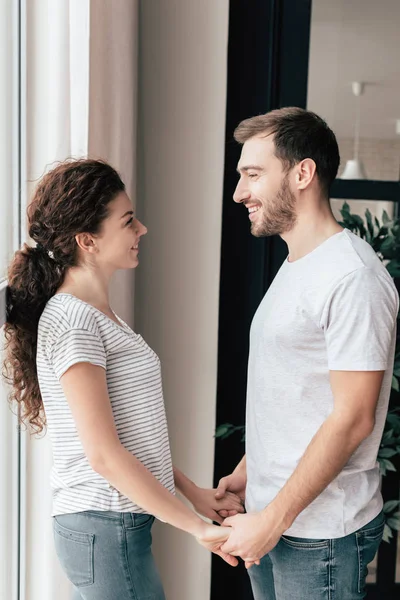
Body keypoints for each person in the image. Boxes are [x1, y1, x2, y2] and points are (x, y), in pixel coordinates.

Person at [3, 159, 243, 600]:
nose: (142, 229)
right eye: (128, 220)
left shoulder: (96, 317)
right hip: (104, 525)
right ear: (87, 240)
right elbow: (105, 456)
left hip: (107, 526)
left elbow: (132, 440)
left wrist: (194, 495)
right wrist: (195, 527)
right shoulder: (75, 321)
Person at [215, 107, 399, 599]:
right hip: (275, 519)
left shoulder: (352, 276)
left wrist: (273, 518)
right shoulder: (298, 265)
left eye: (253, 174)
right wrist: (248, 473)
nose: (239, 193)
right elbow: (296, 392)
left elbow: (353, 417)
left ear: (303, 173)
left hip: (319, 535)